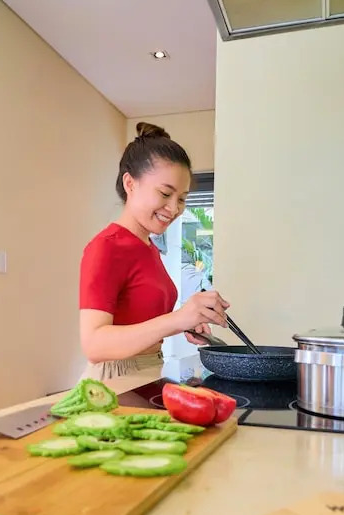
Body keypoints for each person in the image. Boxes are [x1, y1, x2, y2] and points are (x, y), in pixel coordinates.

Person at [77, 122, 230, 382]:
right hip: (114, 381)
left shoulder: (149, 248)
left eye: (181, 198)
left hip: (149, 373)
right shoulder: (107, 247)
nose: (174, 208)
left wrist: (186, 322)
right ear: (130, 183)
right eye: (165, 193)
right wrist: (177, 319)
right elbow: (94, 345)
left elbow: (140, 323)